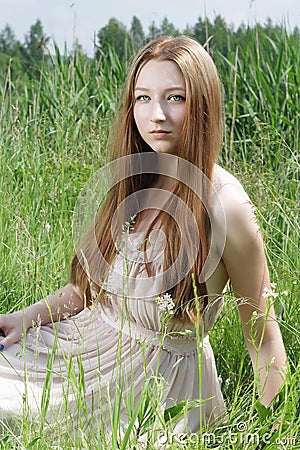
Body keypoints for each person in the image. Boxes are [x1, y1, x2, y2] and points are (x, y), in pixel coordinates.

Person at [0, 36, 286, 437]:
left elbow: (263, 338)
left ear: (203, 104)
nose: (157, 115)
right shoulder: (135, 178)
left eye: (175, 98)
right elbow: (87, 292)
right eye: (143, 98)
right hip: (85, 346)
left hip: (152, 387)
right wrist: (25, 318)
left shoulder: (226, 206)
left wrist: (272, 436)